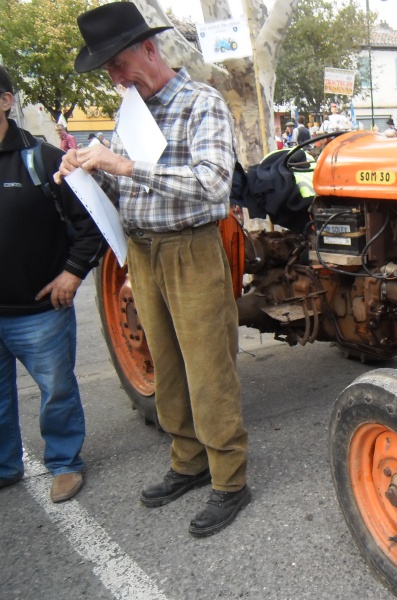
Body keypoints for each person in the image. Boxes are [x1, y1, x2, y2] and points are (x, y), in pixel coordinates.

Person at [60, 2, 250, 536]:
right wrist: (86, 172)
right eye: (109, 72)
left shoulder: (200, 102)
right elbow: (123, 187)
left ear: (150, 49)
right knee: (166, 365)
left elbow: (214, 184)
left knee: (210, 368)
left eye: (119, 65)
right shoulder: (131, 114)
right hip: (141, 252)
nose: (117, 79)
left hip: (190, 250)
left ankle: (230, 480)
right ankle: (188, 462)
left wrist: (124, 164)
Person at [0, 64, 106, 502]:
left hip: (39, 311)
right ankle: (6, 467)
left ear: (6, 101)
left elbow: (92, 223)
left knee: (55, 391)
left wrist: (73, 272)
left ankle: (64, 462)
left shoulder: (40, 158)